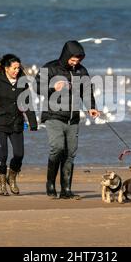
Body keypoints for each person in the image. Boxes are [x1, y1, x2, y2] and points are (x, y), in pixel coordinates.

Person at [35, 40, 100, 199]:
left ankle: (66, 190)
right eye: (73, 58)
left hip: (73, 119)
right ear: (66, 55)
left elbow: (87, 91)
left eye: (78, 59)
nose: (75, 61)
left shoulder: (81, 71)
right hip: (53, 116)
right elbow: (37, 86)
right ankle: (50, 184)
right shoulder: (50, 67)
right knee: (57, 148)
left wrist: (92, 106)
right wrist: (52, 88)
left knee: (70, 153)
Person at [0, 54, 37, 196]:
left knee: (19, 154)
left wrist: (32, 122)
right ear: (6, 68)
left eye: (18, 68)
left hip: (17, 124)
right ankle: (2, 184)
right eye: (14, 68)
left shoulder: (22, 81)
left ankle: (12, 178)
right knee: (2, 156)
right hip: (0, 124)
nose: (17, 70)